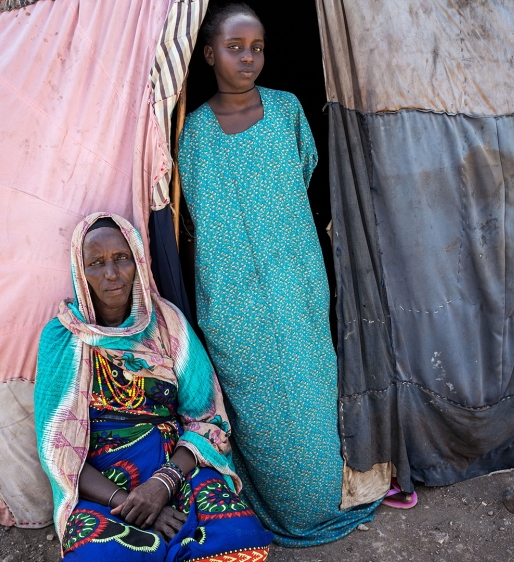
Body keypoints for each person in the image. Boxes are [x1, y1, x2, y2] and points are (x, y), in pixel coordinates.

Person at [177, 3, 414, 547]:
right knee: (258, 405)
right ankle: (287, 503)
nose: (248, 58)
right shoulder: (194, 133)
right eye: (235, 47)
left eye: (256, 47)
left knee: (313, 390)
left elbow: (305, 173)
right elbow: (192, 212)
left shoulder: (286, 110)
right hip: (233, 298)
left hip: (298, 280)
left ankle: (331, 491)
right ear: (209, 53)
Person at [34, 213, 273, 561]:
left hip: (175, 467)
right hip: (102, 488)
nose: (111, 274)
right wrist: (129, 503)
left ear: (138, 262)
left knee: (240, 540)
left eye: (121, 258)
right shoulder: (62, 338)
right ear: (79, 272)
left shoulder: (168, 324)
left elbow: (207, 420)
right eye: (96, 263)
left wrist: (162, 484)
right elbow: (58, 451)